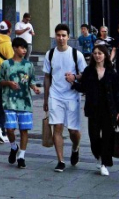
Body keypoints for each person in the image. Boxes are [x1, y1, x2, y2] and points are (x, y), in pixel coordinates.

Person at [74, 42, 119, 176]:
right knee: (94, 136)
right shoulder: (89, 71)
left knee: (107, 136)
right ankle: (99, 156)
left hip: (109, 109)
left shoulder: (111, 72)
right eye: (95, 53)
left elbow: (117, 92)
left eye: (100, 53)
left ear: (105, 55)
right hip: (93, 109)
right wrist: (73, 83)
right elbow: (83, 87)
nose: (97, 56)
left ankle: (104, 163)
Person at [42, 23, 86, 173]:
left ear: (68, 37)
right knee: (57, 127)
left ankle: (75, 147)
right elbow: (47, 77)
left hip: (72, 96)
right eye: (58, 35)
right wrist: (46, 98)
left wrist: (75, 77)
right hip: (55, 95)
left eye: (63, 35)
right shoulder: (50, 54)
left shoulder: (76, 54)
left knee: (73, 131)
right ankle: (60, 160)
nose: (61, 38)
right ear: (55, 36)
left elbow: (85, 75)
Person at [0, 38, 41, 169]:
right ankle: (13, 147)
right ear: (15, 48)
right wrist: (8, 83)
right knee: (10, 128)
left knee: (24, 130)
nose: (24, 50)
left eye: (25, 48)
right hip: (9, 101)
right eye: (22, 48)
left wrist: (35, 88)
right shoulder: (6, 64)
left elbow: (31, 81)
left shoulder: (28, 65)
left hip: (25, 102)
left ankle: (21, 156)